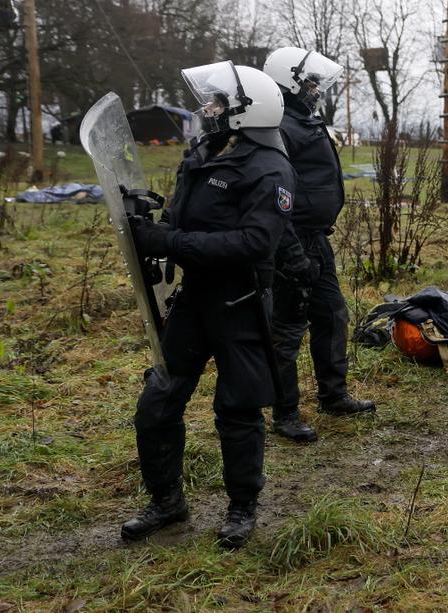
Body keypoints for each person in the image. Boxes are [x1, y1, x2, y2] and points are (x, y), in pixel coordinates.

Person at [121, 62, 295, 549]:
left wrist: (171, 240)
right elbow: (181, 218)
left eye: (218, 102)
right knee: (158, 401)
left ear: (245, 111)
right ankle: (166, 501)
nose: (208, 109)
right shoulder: (204, 153)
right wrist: (150, 217)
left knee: (237, 410)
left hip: (239, 302)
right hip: (194, 297)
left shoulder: (270, 166)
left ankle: (242, 507)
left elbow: (255, 243)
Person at [261, 47, 375, 445]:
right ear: (288, 83)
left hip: (316, 240)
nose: (315, 90)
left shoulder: (302, 121)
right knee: (288, 330)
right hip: (291, 243)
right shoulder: (279, 127)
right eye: (308, 83)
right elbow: (274, 195)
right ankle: (285, 412)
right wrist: (291, 252)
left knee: (332, 314)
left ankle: (334, 394)